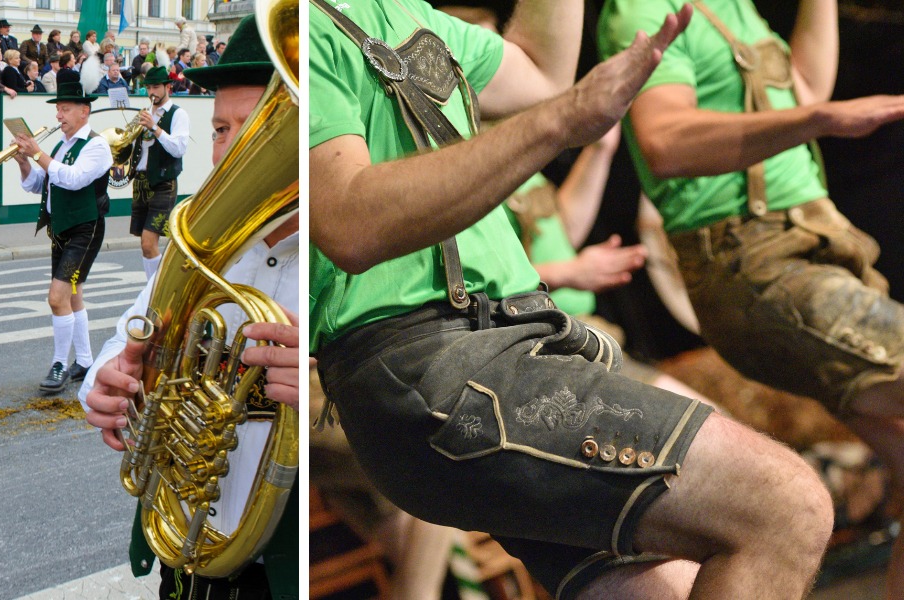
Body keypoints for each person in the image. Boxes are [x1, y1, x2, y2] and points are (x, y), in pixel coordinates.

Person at [311, 1, 835, 599]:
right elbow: (351, 224)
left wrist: (570, 118)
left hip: (518, 346)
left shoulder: (402, 14)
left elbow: (539, 76)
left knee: (677, 587)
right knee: (784, 506)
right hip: (436, 364)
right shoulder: (308, 24)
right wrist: (564, 120)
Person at [598, 0, 904, 595]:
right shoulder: (643, 8)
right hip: (757, 263)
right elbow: (665, 140)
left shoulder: (734, 8)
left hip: (818, 250)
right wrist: (819, 118)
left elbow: (802, 90)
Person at [80, 16, 299, 598]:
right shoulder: (200, 244)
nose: (232, 150)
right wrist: (104, 382)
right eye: (222, 129)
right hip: (182, 545)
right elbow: (133, 334)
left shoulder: (347, 256)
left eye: (253, 130)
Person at [15, 82, 111, 394]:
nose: (59, 115)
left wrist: (38, 152)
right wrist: (23, 162)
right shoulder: (60, 146)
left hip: (86, 228)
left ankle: (59, 364)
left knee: (57, 298)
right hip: (61, 228)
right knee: (73, 295)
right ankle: (84, 360)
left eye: (65, 108)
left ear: (85, 112)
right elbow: (35, 185)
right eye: (58, 109)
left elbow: (72, 180)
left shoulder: (96, 146)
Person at [128, 66, 189, 280]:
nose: (151, 92)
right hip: (142, 182)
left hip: (163, 182)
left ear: (167, 87)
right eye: (148, 87)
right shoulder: (144, 113)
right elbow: (137, 148)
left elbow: (179, 148)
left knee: (148, 242)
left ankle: (156, 290)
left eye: (156, 87)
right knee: (145, 246)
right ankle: (151, 287)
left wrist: (155, 128)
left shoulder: (177, 114)